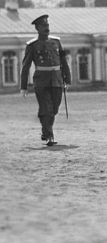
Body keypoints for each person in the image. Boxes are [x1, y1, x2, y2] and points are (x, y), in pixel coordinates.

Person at [20, 15, 71, 146]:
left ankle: (45, 130)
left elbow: (63, 61)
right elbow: (25, 66)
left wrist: (67, 79)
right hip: (41, 81)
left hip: (57, 80)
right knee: (46, 108)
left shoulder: (56, 42)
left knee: (54, 108)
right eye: (43, 26)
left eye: (47, 26)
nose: (46, 28)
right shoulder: (32, 45)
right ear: (37, 28)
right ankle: (49, 135)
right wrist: (23, 86)